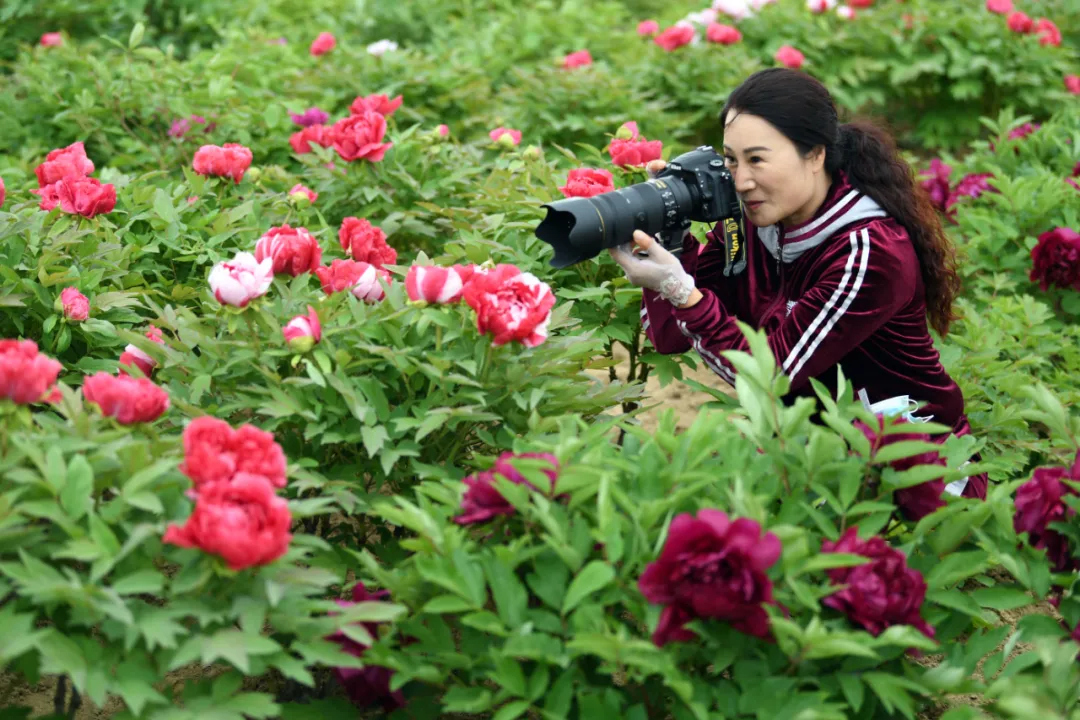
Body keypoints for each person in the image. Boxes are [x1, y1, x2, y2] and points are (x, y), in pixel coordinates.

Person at [609, 67, 987, 500]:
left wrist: (680, 290)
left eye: (757, 159)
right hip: (810, 463)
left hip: (914, 478)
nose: (741, 180)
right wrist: (669, 239)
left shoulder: (867, 252)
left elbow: (769, 381)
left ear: (815, 155)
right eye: (731, 160)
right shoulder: (754, 221)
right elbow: (670, 338)